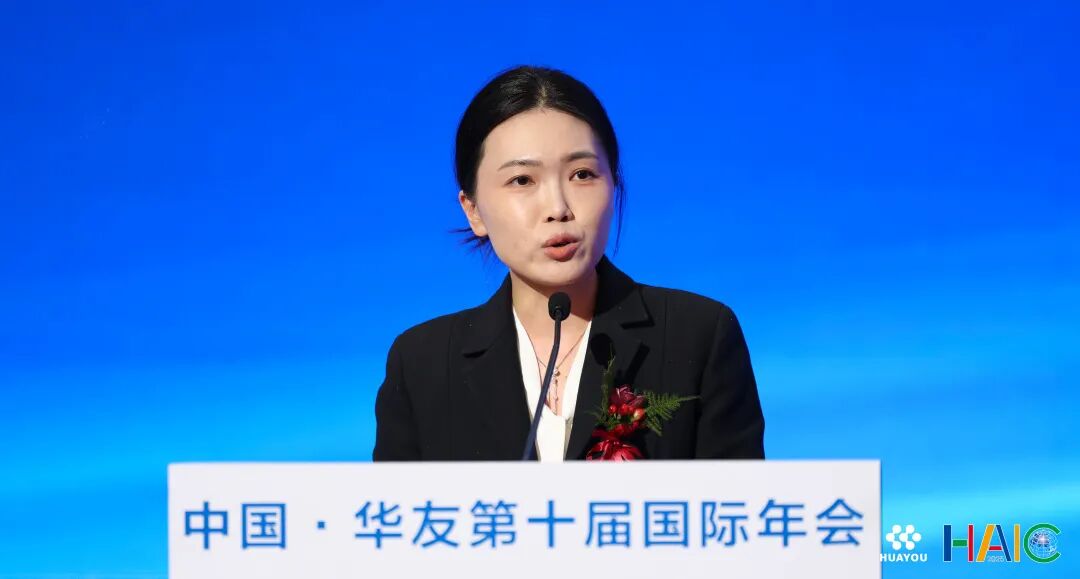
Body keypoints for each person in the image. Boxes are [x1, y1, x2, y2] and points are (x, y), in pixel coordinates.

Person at [373, 65, 764, 462]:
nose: (558, 208)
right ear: (473, 211)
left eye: (582, 174)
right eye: (522, 180)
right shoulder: (422, 365)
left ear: (614, 185)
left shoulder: (697, 336)